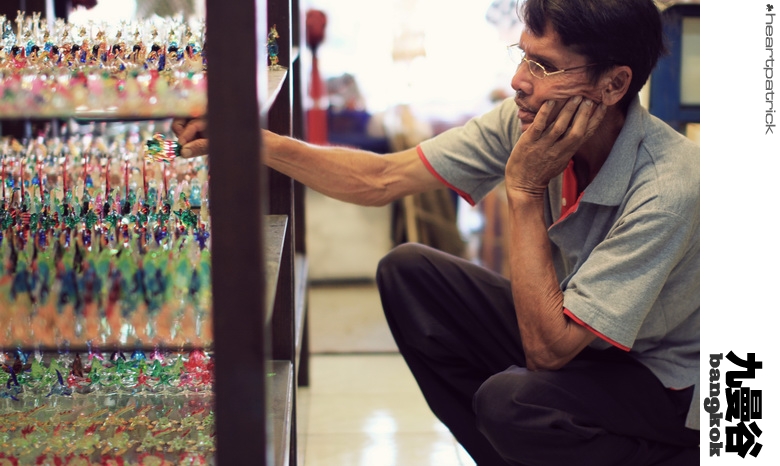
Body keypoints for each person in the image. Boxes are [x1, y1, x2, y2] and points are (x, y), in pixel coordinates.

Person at [173, 0, 700, 464]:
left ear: (614, 84)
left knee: (512, 403)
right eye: (522, 55)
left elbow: (549, 352)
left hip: (664, 381)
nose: (520, 79)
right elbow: (381, 178)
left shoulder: (667, 187)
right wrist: (248, 138)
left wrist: (523, 191)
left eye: (545, 66)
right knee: (409, 274)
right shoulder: (529, 121)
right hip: (579, 336)